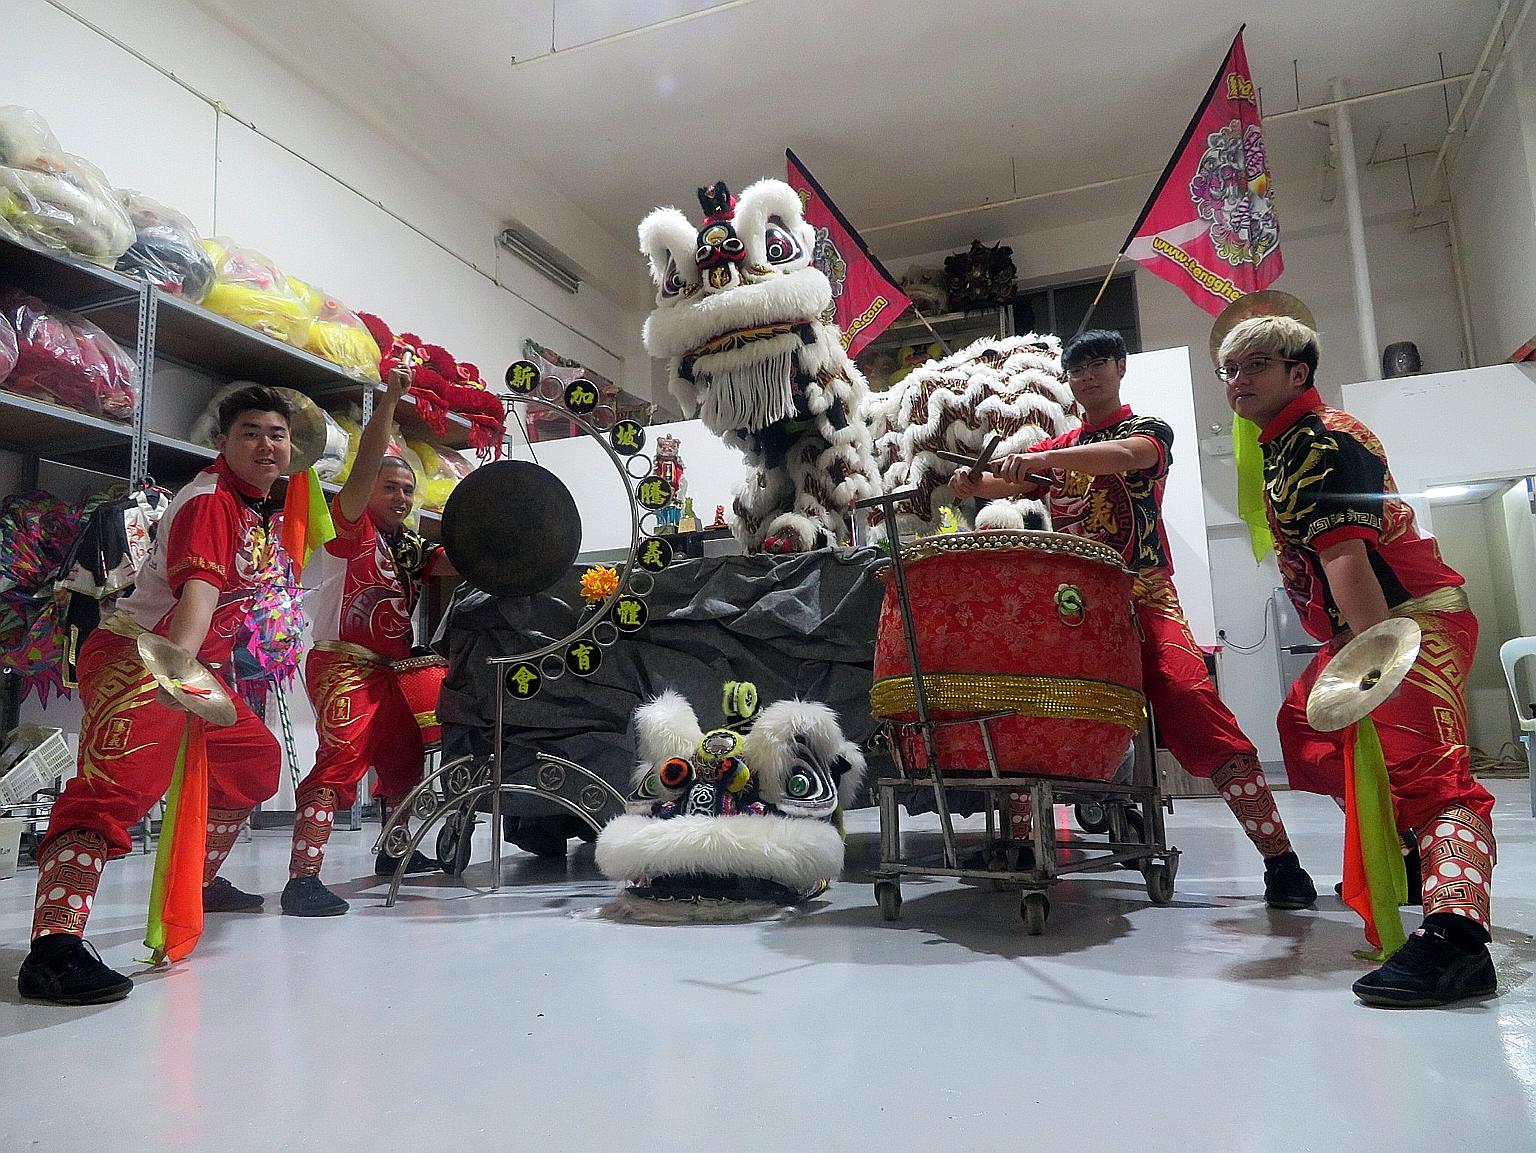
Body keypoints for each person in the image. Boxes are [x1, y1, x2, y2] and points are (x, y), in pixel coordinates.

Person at [952, 329, 1316, 908]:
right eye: (1076, 368)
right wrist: (973, 482)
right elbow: (1009, 479)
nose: (1087, 375)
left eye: (1098, 363)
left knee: (1191, 700)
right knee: (1024, 703)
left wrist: (1040, 459)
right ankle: (1023, 843)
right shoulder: (1064, 444)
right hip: (1073, 608)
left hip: (1144, 594)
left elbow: (1120, 458)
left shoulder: (1147, 432)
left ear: (1120, 368)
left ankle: (1280, 859)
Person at [1218, 314, 1496, 1007]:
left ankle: (1458, 941)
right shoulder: (1283, 445)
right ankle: (1401, 856)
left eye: (1255, 364)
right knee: (1306, 727)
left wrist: (1376, 665)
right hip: (1368, 627)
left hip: (1409, 622)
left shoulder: (1321, 439)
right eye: (1228, 369)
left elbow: (1346, 557)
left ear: (1297, 372)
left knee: (1428, 774)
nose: (1237, 380)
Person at [18, 386, 293, 1005]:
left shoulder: (253, 509)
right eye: (250, 432)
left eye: (276, 434)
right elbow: (197, 594)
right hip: (143, 656)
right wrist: (180, 675)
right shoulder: (210, 502)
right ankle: (52, 952)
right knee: (113, 795)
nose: (265, 444)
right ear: (221, 443)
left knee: (251, 759)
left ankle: (193, 881)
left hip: (185, 661)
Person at [281, 365, 455, 917]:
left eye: (409, 489)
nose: (402, 496)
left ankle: (393, 854)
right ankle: (302, 880)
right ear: (367, 490)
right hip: (343, 665)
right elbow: (363, 465)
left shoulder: (408, 547)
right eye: (391, 487)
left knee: (405, 764)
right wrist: (390, 403)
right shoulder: (347, 526)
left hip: (395, 670)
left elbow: (459, 559)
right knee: (340, 762)